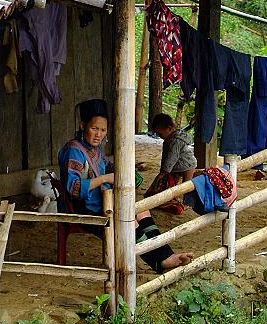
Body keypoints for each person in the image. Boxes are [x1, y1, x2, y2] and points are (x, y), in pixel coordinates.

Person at [58, 99, 194, 273]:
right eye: (94, 129)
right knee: (129, 221)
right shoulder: (74, 150)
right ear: (83, 125)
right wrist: (106, 178)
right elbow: (74, 189)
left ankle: (166, 255)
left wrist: (126, 172)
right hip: (81, 208)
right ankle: (159, 261)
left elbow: (108, 166)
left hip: (99, 203)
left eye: (103, 130)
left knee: (141, 210)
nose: (99, 134)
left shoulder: (96, 149)